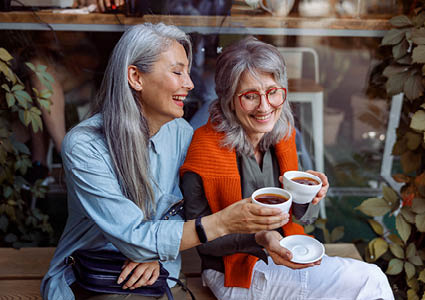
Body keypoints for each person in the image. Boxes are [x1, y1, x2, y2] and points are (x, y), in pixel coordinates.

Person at [40, 23, 288, 299]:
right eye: (177, 71)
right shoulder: (85, 147)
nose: (190, 84)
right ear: (135, 77)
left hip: (161, 274)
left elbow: (184, 210)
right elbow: (132, 234)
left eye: (188, 72)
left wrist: (152, 253)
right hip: (93, 276)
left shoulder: (180, 133)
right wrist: (220, 223)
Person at [180, 37, 394, 300]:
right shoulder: (204, 149)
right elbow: (199, 238)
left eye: (273, 91)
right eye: (250, 96)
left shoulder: (283, 135)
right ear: (228, 98)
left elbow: (304, 219)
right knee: (371, 281)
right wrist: (261, 238)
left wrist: (308, 197)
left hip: (283, 255)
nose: (265, 106)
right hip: (232, 272)